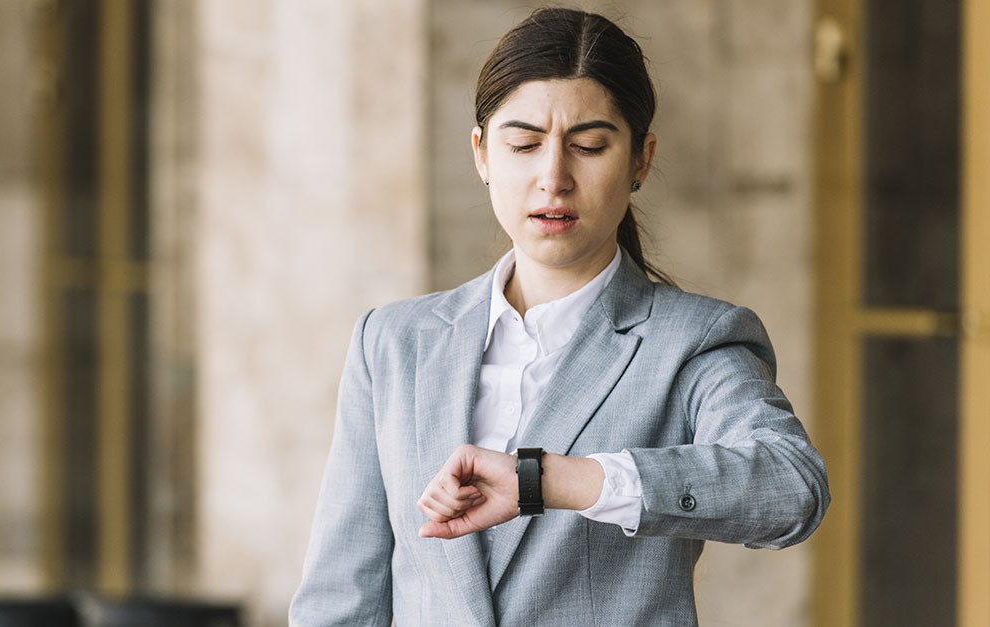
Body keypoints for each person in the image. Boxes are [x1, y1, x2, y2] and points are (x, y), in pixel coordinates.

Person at [289, 8, 829, 626]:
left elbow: (791, 487)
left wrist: (545, 480)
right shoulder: (391, 343)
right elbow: (340, 598)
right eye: (522, 144)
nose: (553, 178)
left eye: (589, 146)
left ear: (640, 161)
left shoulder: (692, 341)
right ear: (482, 154)